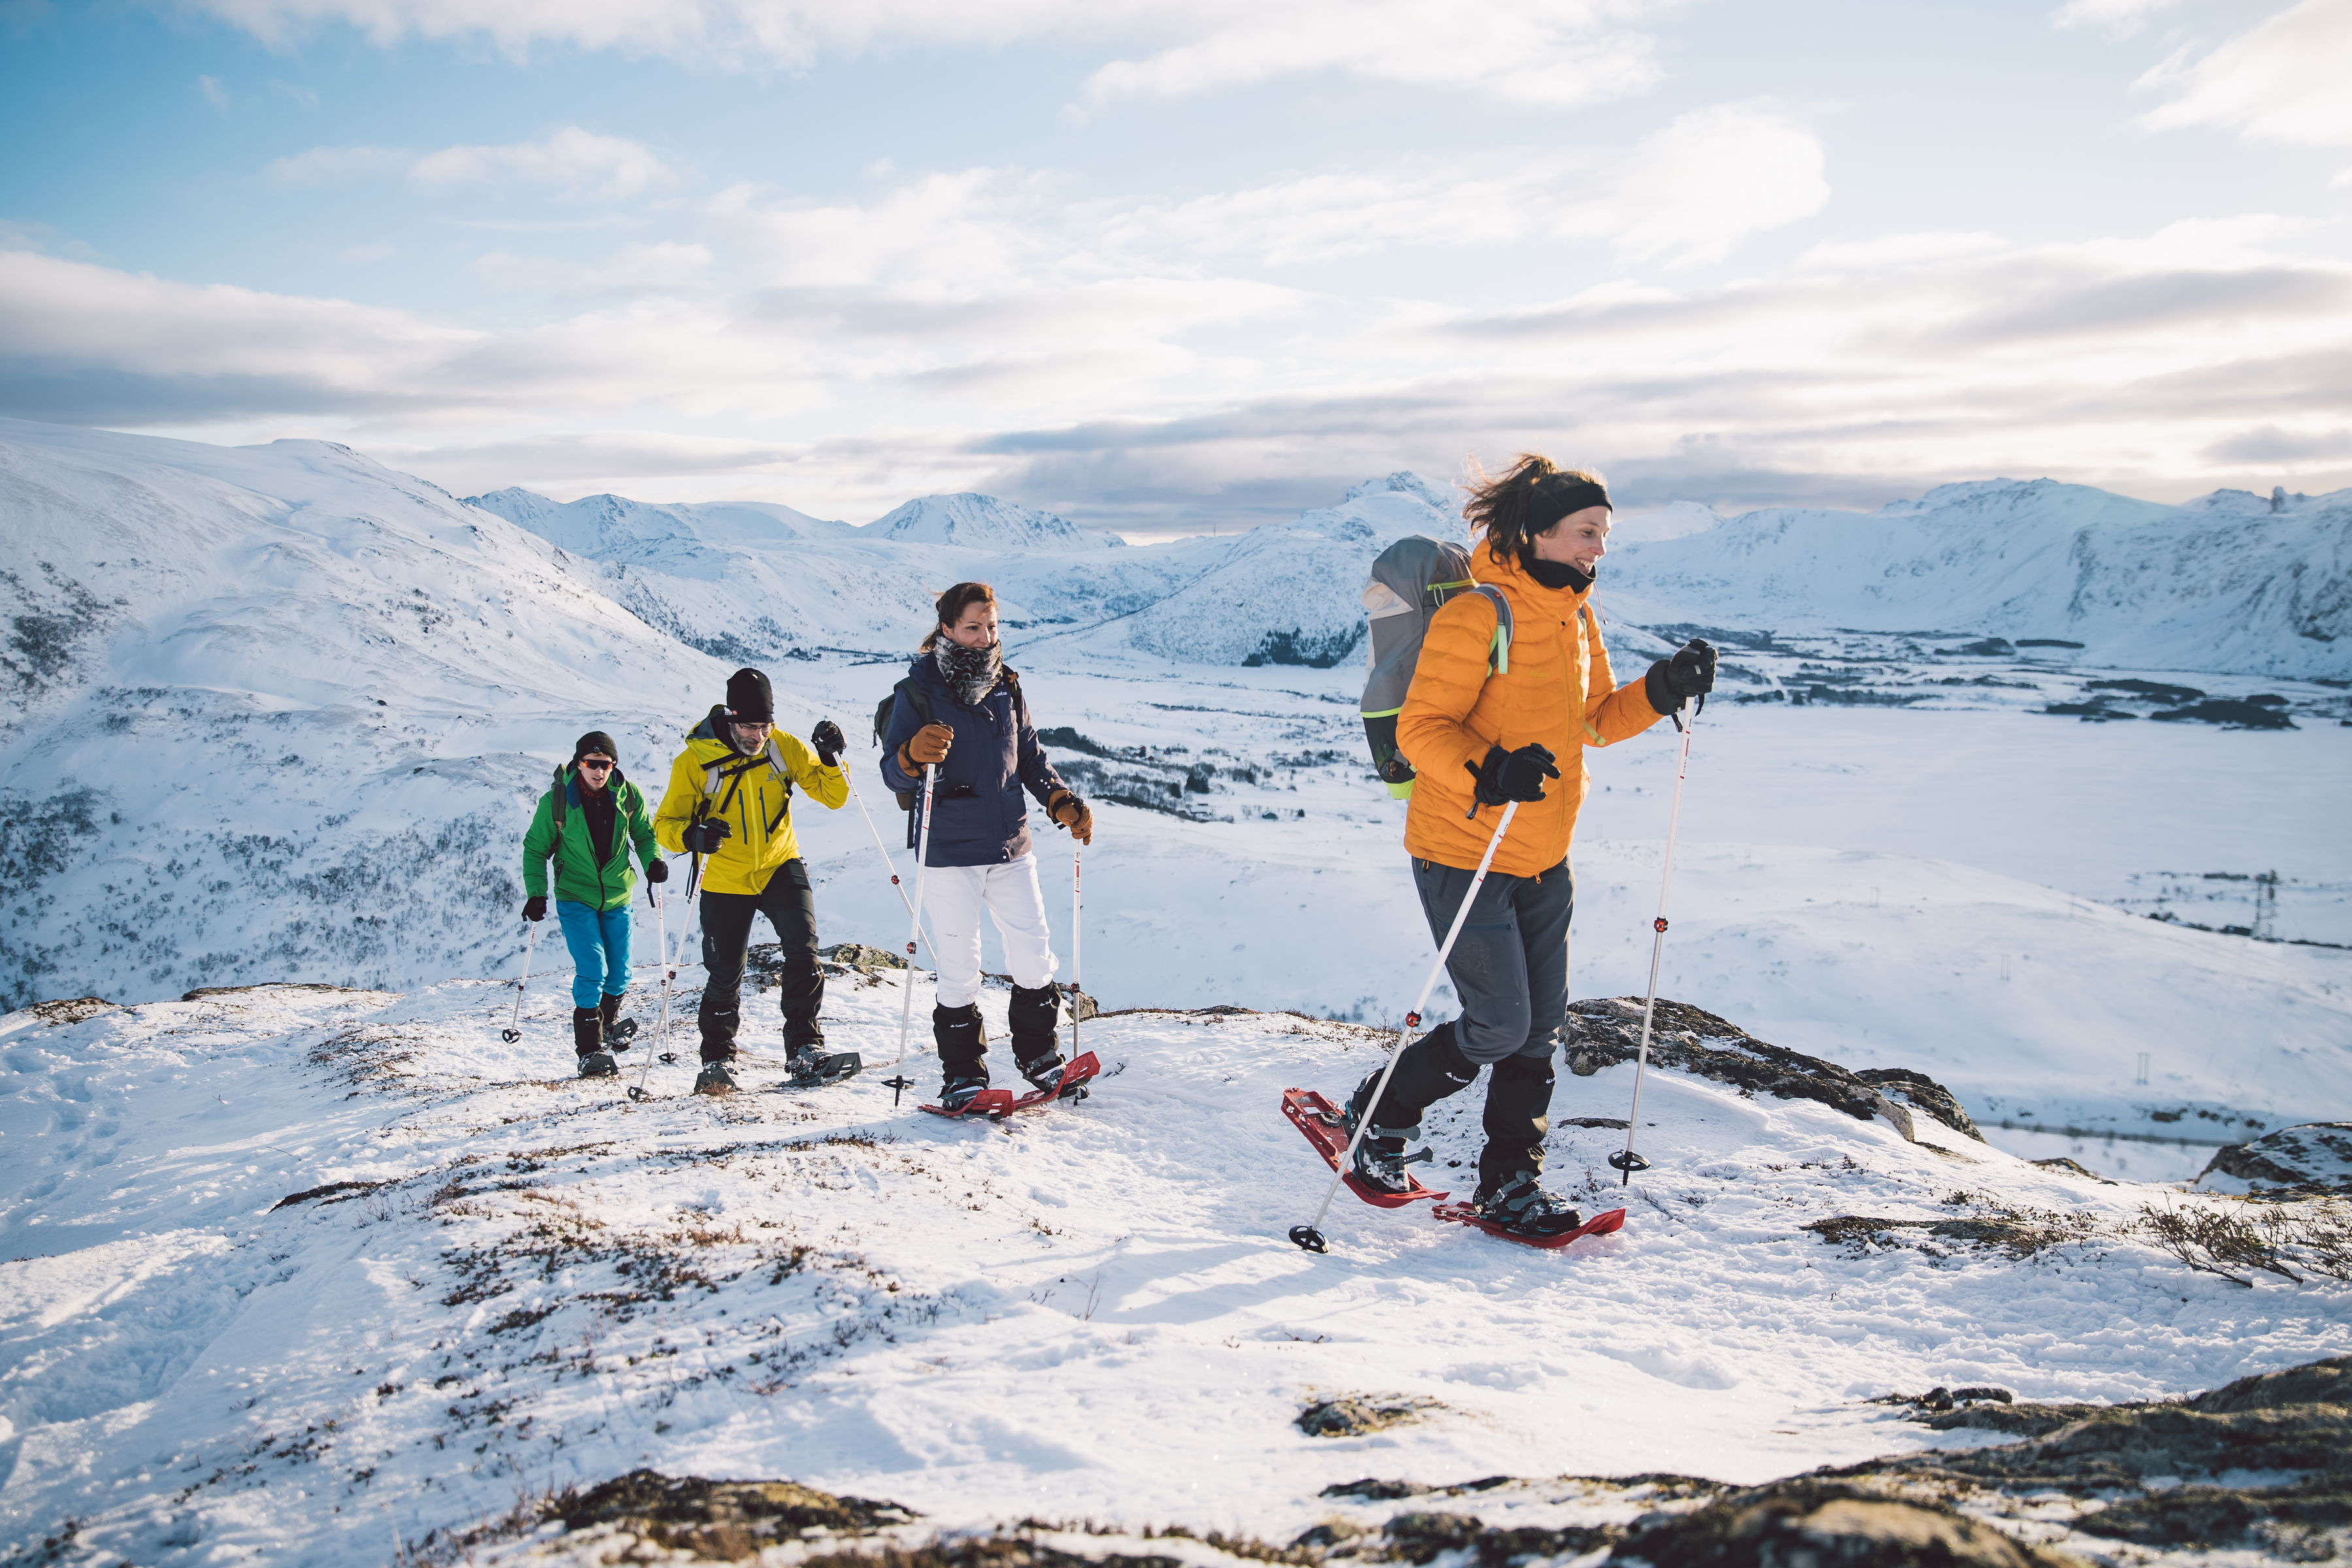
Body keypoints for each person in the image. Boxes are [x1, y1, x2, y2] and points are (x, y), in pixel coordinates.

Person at [1337, 456, 1716, 1236]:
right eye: (1586, 534)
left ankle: (1510, 1181)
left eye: (1604, 536)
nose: (1598, 551)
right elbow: (1422, 728)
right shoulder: (1480, 615)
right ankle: (1378, 1113)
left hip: (1544, 853)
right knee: (1499, 1025)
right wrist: (1491, 770)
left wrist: (1663, 688)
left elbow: (1597, 720)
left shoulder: (1576, 616)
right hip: (1462, 848)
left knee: (1539, 1033)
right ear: (1538, 533)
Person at [877, 582, 1096, 1111]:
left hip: (1009, 841)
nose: (985, 637)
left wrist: (1059, 799)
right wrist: (910, 755)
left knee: (1034, 951)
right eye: (974, 627)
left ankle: (1039, 1055)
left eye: (992, 626)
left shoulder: (1006, 687)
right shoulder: (917, 693)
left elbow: (1030, 758)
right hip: (950, 848)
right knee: (959, 964)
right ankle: (962, 1075)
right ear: (947, 629)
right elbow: (892, 775)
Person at [653, 668, 850, 1095]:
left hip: (780, 864)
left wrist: (832, 760)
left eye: (765, 726)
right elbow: (664, 824)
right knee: (726, 971)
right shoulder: (695, 761)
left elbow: (834, 797)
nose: (758, 736)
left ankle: (805, 1051)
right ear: (730, 717)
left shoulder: (783, 748)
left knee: (804, 946)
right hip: (725, 877)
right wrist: (692, 836)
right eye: (749, 726)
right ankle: (717, 1061)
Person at [521, 731, 667, 1079]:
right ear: (579, 763)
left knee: (619, 976)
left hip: (618, 895)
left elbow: (644, 836)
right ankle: (589, 1050)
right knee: (593, 969)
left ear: (613, 765)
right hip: (575, 897)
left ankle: (607, 1026)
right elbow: (536, 849)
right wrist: (537, 893)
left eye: (605, 764)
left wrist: (653, 861)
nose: (598, 771)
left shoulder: (628, 796)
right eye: (591, 764)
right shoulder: (557, 801)